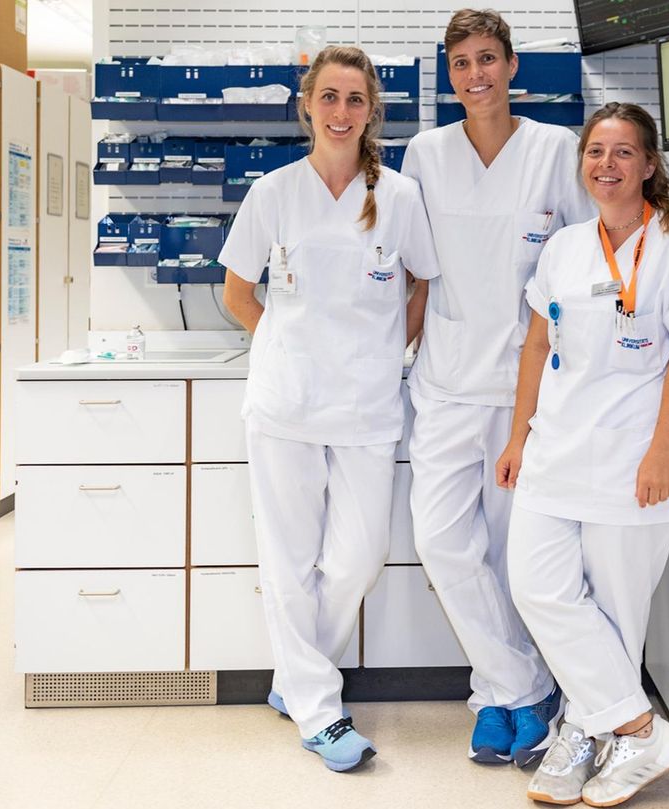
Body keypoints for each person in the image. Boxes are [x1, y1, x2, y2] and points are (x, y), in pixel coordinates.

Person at [497, 102, 669, 806]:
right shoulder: (566, 246)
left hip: (634, 458)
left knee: (618, 616)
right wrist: (517, 434)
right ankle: (636, 725)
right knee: (536, 585)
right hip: (556, 451)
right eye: (596, 151)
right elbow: (537, 344)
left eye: (623, 152)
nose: (606, 164)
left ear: (650, 165)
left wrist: (663, 449)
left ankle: (584, 734)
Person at [219, 45, 440, 772]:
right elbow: (237, 293)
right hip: (286, 403)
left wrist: (384, 353)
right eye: (329, 97)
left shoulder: (399, 196)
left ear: (372, 110)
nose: (341, 112)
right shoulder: (273, 192)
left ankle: (295, 674)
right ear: (306, 105)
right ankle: (319, 708)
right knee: (288, 558)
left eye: (355, 99)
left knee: (357, 554)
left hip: (369, 406)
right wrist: (287, 345)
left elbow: (421, 287)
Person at [402, 8, 596, 768]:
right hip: (446, 381)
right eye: (461, 64)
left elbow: (586, 264)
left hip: (530, 389)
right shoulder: (425, 153)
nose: (475, 75)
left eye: (488, 59)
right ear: (449, 77)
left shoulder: (557, 151)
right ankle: (521, 683)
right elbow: (413, 267)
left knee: (521, 552)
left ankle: (497, 696)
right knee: (442, 541)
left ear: (513, 67)